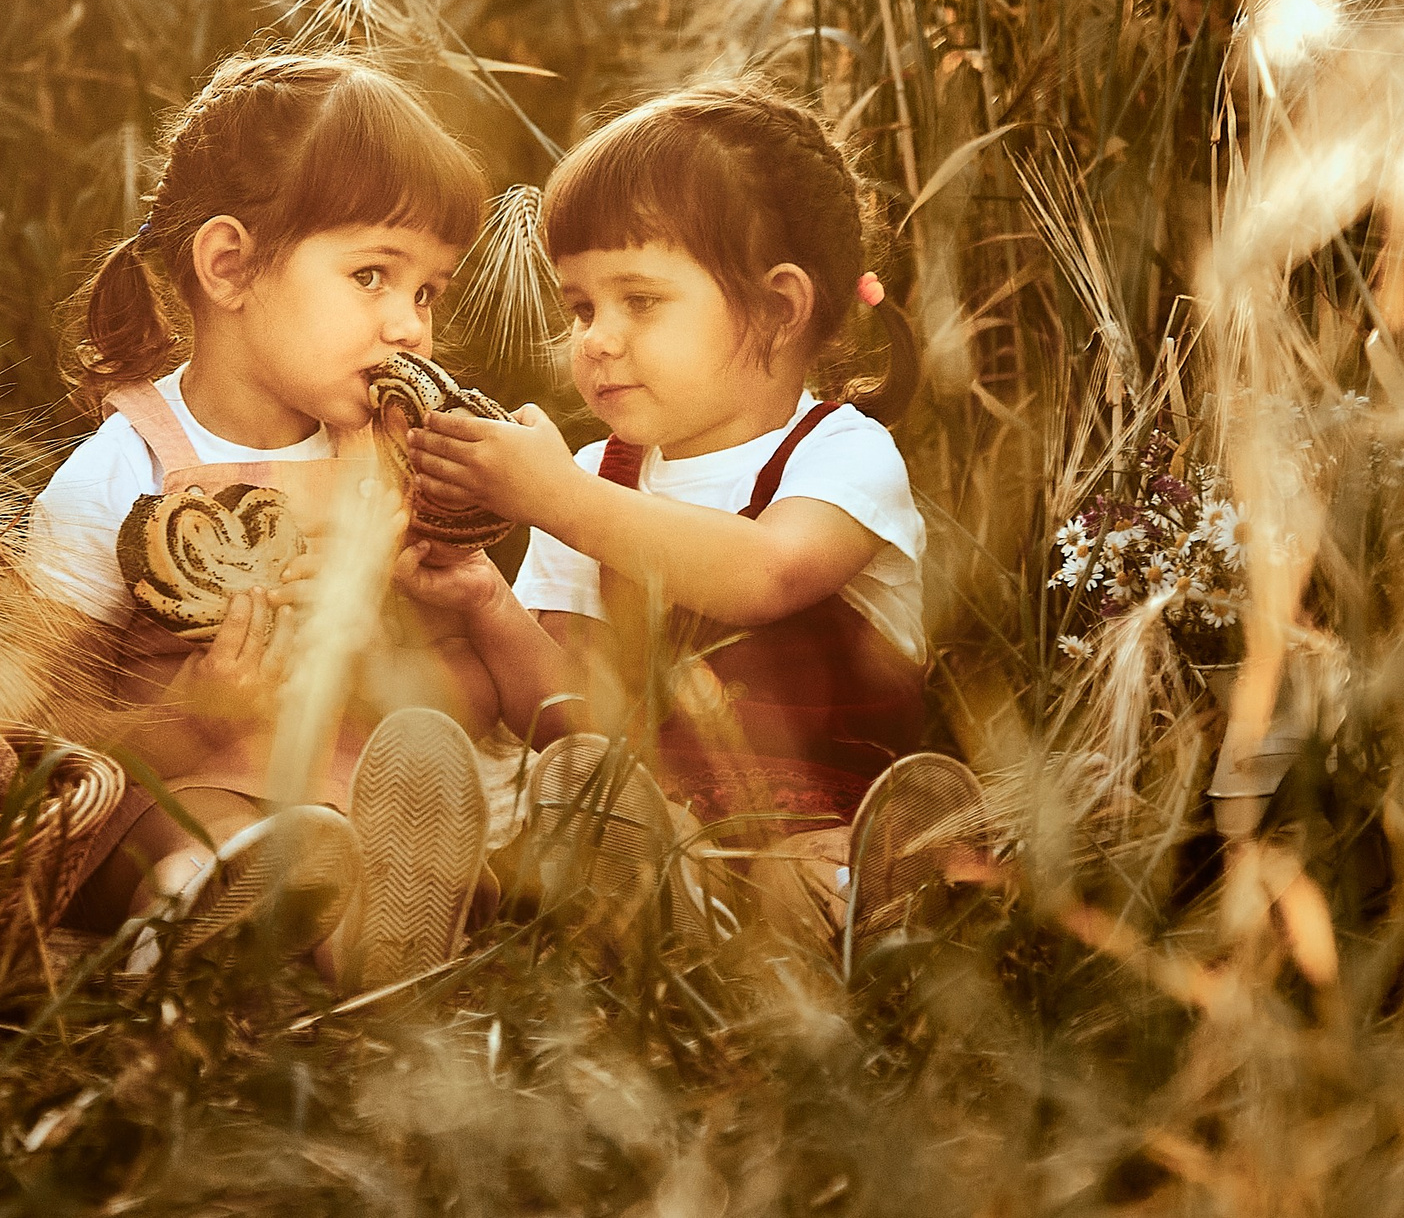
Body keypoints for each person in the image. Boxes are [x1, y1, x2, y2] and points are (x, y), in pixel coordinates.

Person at [398, 77, 987, 955]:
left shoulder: (843, 453)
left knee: (805, 888)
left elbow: (766, 572)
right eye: (581, 306)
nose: (597, 338)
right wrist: (485, 599)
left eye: (640, 300)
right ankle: (432, 894)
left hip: (823, 817)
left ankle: (862, 900)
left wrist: (556, 500)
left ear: (780, 308)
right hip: (658, 822)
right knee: (578, 813)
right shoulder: (601, 475)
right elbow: (569, 714)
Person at [23, 49, 523, 987]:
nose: (411, 325)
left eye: (427, 291)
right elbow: (44, 741)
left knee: (361, 834)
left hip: (349, 784)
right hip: (179, 788)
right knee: (205, 838)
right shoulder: (122, 476)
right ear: (230, 265)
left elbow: (468, 679)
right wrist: (197, 711)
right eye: (372, 274)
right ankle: (189, 915)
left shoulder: (389, 460)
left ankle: (376, 932)